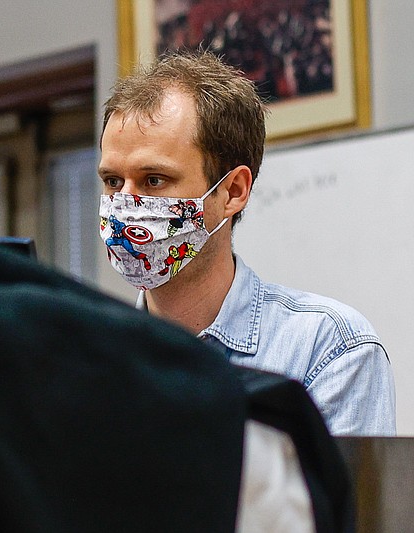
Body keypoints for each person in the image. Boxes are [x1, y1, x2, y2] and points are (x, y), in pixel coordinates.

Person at [98, 50, 395, 436]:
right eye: (112, 182)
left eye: (154, 180)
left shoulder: (329, 349)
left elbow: (332, 498)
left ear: (233, 191)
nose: (126, 204)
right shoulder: (93, 357)